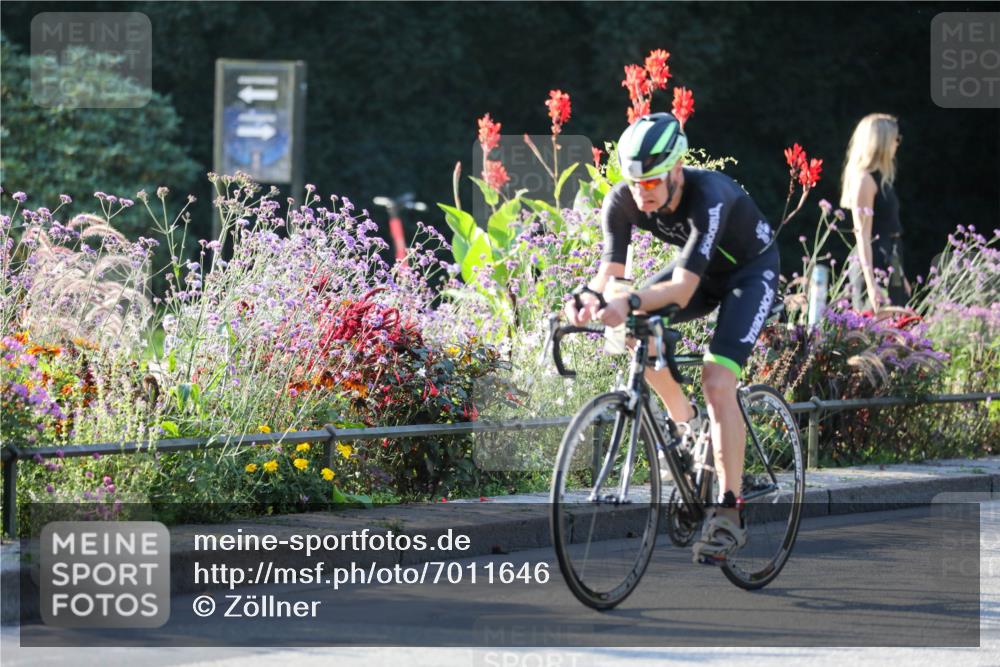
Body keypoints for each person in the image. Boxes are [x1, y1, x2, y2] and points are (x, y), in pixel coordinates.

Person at [564, 112, 780, 563]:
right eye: (634, 183)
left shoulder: (710, 196)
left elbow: (681, 289)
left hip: (749, 273)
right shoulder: (623, 200)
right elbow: (611, 274)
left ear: (677, 170)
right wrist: (587, 299)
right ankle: (687, 424)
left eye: (652, 183)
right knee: (630, 328)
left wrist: (627, 301)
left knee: (718, 380)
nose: (641, 193)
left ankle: (730, 512)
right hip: (700, 273)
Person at [840, 113, 910, 310]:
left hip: (891, 257)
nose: (897, 144)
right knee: (877, 333)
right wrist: (871, 284)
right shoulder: (864, 180)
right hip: (874, 262)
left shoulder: (882, 179)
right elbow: (862, 235)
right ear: (881, 142)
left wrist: (900, 274)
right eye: (895, 139)